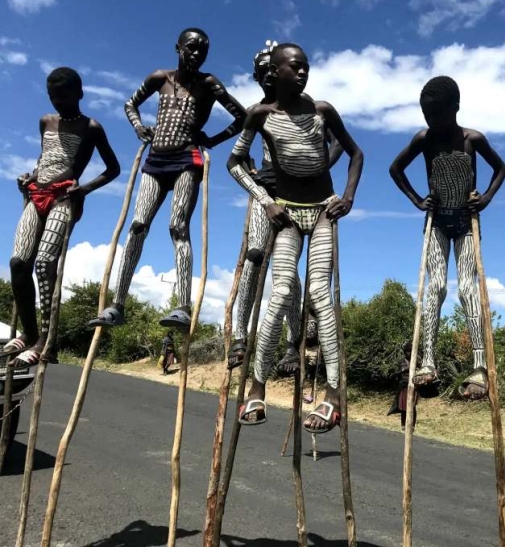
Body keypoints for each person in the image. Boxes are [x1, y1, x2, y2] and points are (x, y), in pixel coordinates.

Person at [227, 43, 363, 432]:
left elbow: (356, 153)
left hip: (322, 210)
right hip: (286, 213)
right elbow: (234, 163)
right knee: (282, 291)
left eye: (305, 67)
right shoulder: (260, 116)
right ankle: (257, 385)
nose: (301, 73)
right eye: (293, 67)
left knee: (320, 293)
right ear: (276, 71)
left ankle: (335, 394)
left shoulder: (322, 111)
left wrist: (348, 198)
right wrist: (265, 200)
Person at [89, 28, 246, 330]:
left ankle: (183, 306)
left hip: (187, 159)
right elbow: (129, 104)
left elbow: (242, 117)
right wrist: (139, 127)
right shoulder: (159, 78)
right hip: (155, 160)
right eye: (191, 47)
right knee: (137, 226)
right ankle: (117, 304)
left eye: (203, 49)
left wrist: (212, 139)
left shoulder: (208, 83)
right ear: (178, 47)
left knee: (178, 227)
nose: (197, 53)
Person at [389, 76, 505, 401]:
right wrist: (417, 200)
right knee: (436, 286)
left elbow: (501, 169)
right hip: (438, 221)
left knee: (468, 288)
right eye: (428, 116)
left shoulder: (473, 139)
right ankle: (428, 361)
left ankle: (480, 364)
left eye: (438, 115)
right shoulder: (424, 139)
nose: (433, 122)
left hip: (467, 222)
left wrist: (485, 198)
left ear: (455, 109)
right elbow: (396, 168)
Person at [228, 41, 341, 371]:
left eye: (270, 70)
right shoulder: (258, 113)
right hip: (268, 193)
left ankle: (294, 341)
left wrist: (319, 169)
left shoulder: (308, 111)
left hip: (304, 197)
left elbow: (336, 144)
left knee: (289, 268)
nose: (267, 77)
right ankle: (239, 336)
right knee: (254, 254)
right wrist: (260, 194)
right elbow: (235, 154)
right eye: (262, 72)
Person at [2, 68, 120, 366]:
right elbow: (45, 159)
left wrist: (84, 190)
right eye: (53, 96)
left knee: (44, 264)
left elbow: (113, 169)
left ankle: (47, 340)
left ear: (79, 94)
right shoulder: (46, 122)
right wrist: (28, 177)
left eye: (64, 96)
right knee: (18, 263)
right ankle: (29, 334)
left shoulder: (91, 127)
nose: (58, 102)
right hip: (36, 194)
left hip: (64, 199)